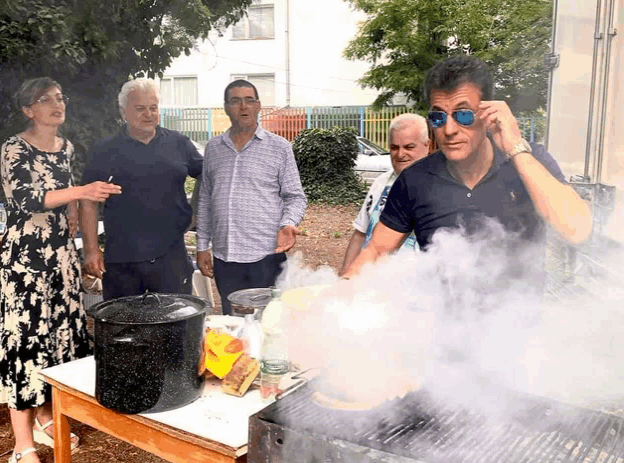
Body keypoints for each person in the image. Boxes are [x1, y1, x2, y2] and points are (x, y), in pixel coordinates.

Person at [344, 55, 592, 277]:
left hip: (519, 323)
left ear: (488, 112)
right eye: (438, 116)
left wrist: (516, 148)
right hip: (437, 324)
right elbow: (377, 250)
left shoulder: (529, 159)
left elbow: (576, 230)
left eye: (464, 114)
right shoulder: (415, 179)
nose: (449, 130)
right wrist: (340, 292)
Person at [0, 78, 121, 463]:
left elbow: (73, 204)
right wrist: (83, 189)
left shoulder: (65, 149)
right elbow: (26, 201)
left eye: (60, 97)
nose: (55, 104)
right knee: (25, 347)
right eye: (44, 99)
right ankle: (22, 449)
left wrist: (87, 250)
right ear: (28, 110)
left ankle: (47, 415)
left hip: (60, 261)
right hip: (25, 265)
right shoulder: (14, 147)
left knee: (57, 340)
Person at [80, 78, 203, 300]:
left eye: (153, 108)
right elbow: (87, 201)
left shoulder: (179, 143)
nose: (148, 114)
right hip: (122, 259)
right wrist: (91, 249)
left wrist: (195, 211)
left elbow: (206, 175)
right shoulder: (104, 150)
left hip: (172, 257)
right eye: (140, 108)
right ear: (123, 112)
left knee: (176, 326)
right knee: (123, 329)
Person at [196, 80, 307, 314]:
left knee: (270, 323)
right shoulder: (214, 148)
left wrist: (288, 223)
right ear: (226, 108)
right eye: (235, 101)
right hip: (226, 258)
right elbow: (205, 200)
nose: (243, 106)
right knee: (233, 321)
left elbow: (296, 197)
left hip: (266, 256)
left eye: (249, 100)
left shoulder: (280, 148)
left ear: (259, 106)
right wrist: (202, 246)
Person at [339, 113, 430, 275]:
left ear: (427, 145)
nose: (400, 154)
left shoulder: (440, 185)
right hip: (371, 284)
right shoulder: (381, 182)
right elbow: (360, 234)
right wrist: (344, 275)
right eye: (394, 148)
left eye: (409, 147)